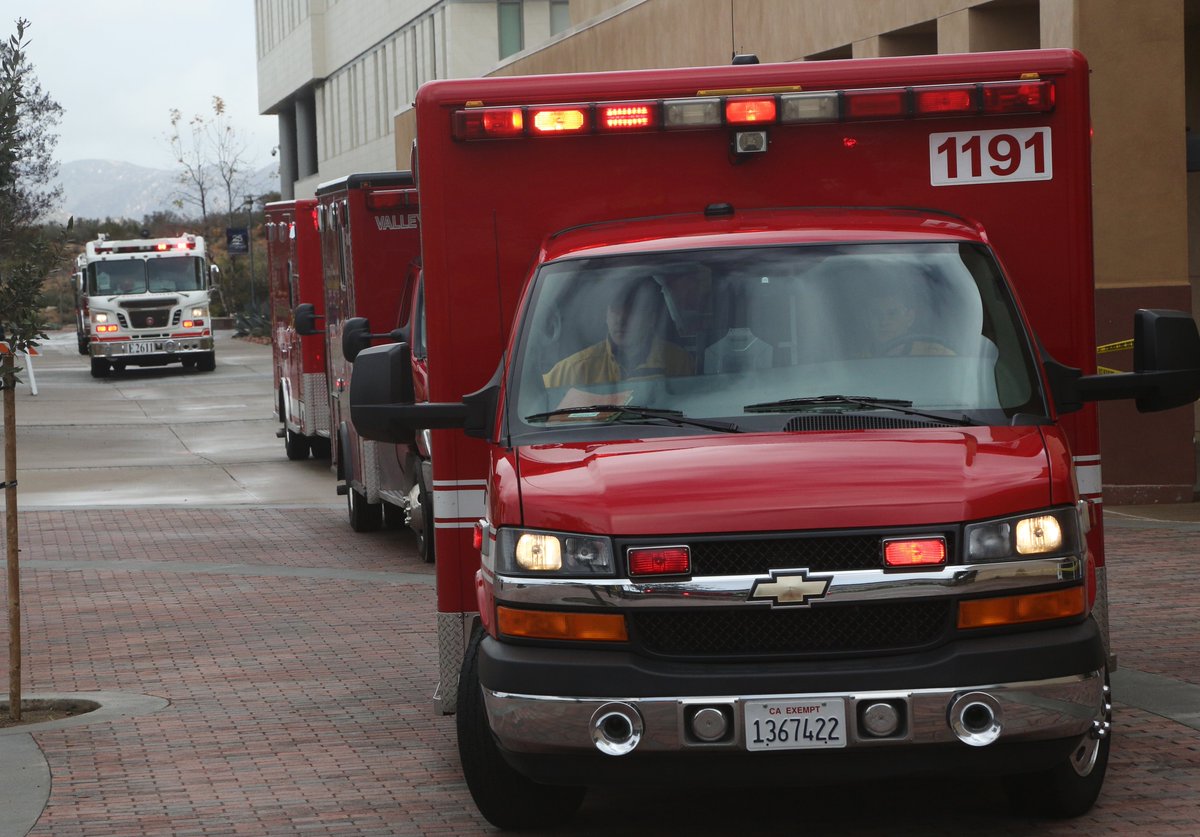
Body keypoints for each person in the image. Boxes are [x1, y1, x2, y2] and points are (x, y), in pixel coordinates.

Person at [542, 278, 694, 388]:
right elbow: (537, 399)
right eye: (615, 309)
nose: (621, 320)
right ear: (606, 315)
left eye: (632, 311)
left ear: (651, 318)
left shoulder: (678, 362)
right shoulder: (574, 370)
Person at [867, 287, 955, 357]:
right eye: (876, 314)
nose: (883, 322)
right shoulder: (861, 360)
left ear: (909, 318)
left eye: (892, 314)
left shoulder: (935, 354)